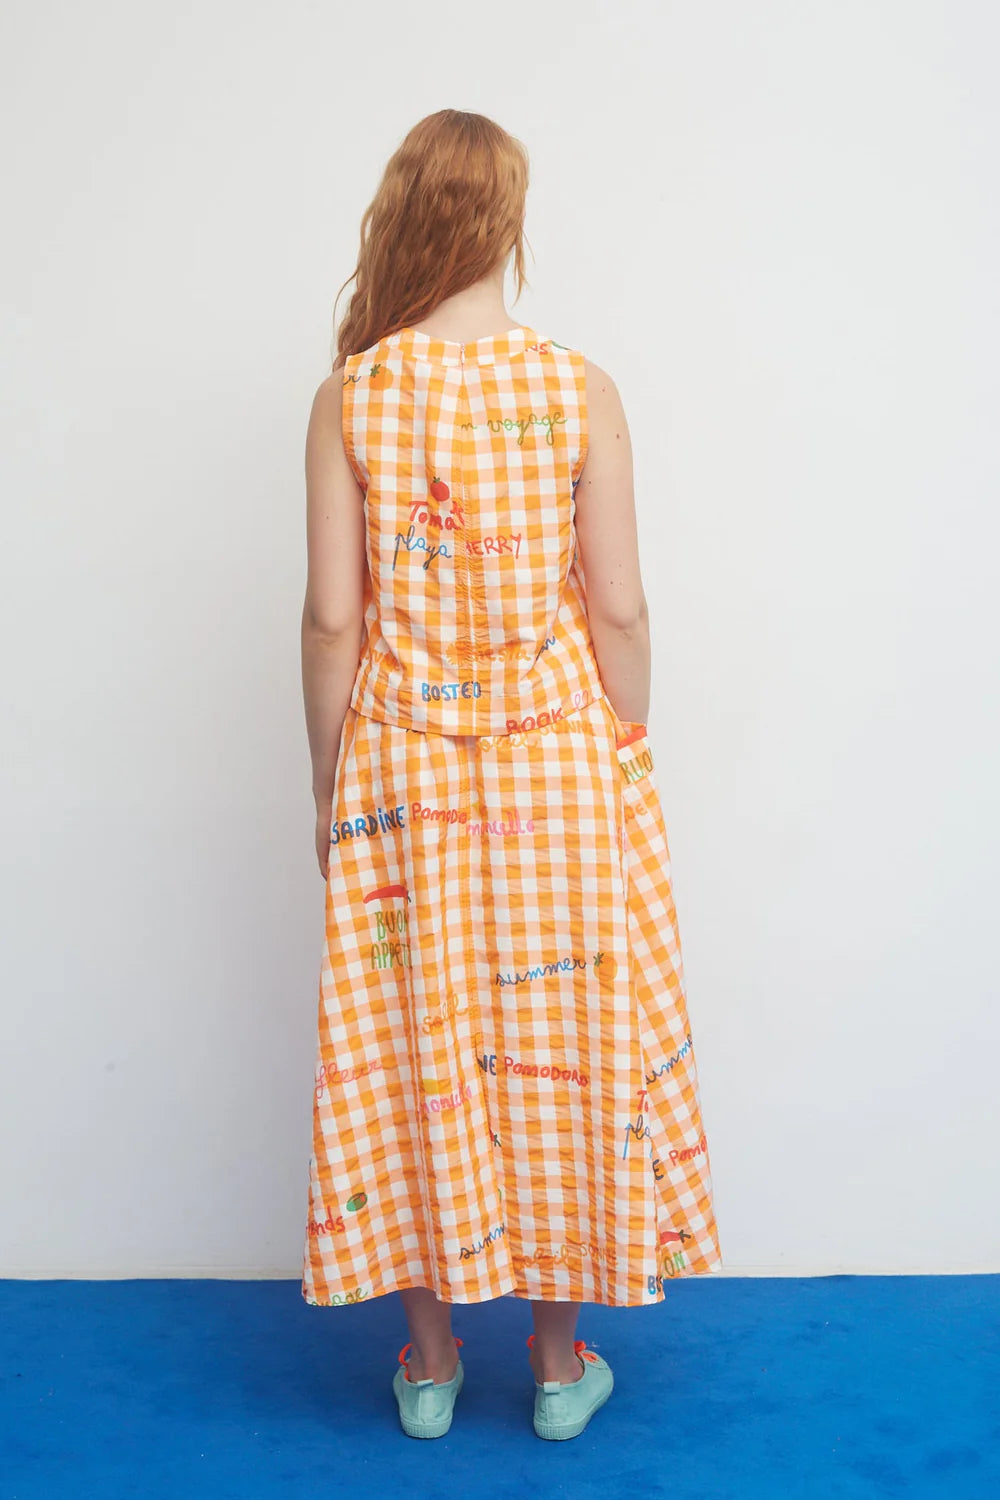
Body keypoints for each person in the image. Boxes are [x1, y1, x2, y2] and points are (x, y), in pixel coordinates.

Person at [299, 108, 722, 1442]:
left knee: (412, 1036)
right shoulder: (576, 387)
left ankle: (429, 1369)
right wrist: (628, 742)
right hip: (554, 765)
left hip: (403, 769)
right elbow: (621, 606)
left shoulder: (353, 395)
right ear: (506, 225)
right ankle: (553, 1366)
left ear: (404, 216)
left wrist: (329, 782)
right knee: (560, 1046)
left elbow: (332, 621)